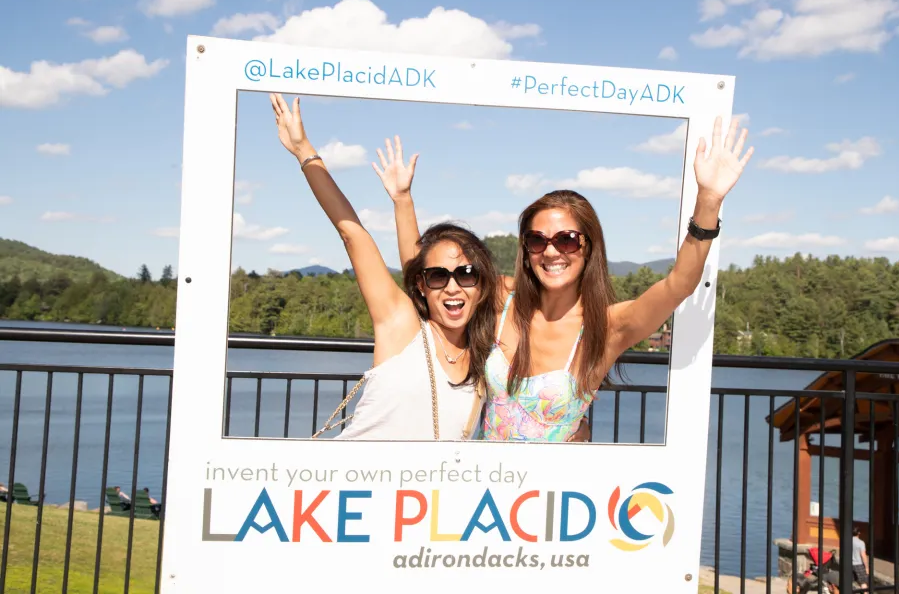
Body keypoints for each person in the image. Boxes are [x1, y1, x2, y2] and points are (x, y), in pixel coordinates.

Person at [377, 115, 752, 442]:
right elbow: (429, 275)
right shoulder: (502, 301)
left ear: (588, 247)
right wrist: (402, 200)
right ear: (526, 248)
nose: (552, 252)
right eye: (538, 240)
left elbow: (678, 285)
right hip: (490, 494)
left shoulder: (607, 327)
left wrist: (709, 201)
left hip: (555, 506)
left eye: (567, 240)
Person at [269, 93, 500, 441]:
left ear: (481, 284)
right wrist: (304, 151)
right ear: (422, 286)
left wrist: (403, 200)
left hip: (418, 496)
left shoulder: (486, 359)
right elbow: (352, 234)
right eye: (438, 276)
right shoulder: (402, 326)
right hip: (346, 489)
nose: (452, 287)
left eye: (466, 274)